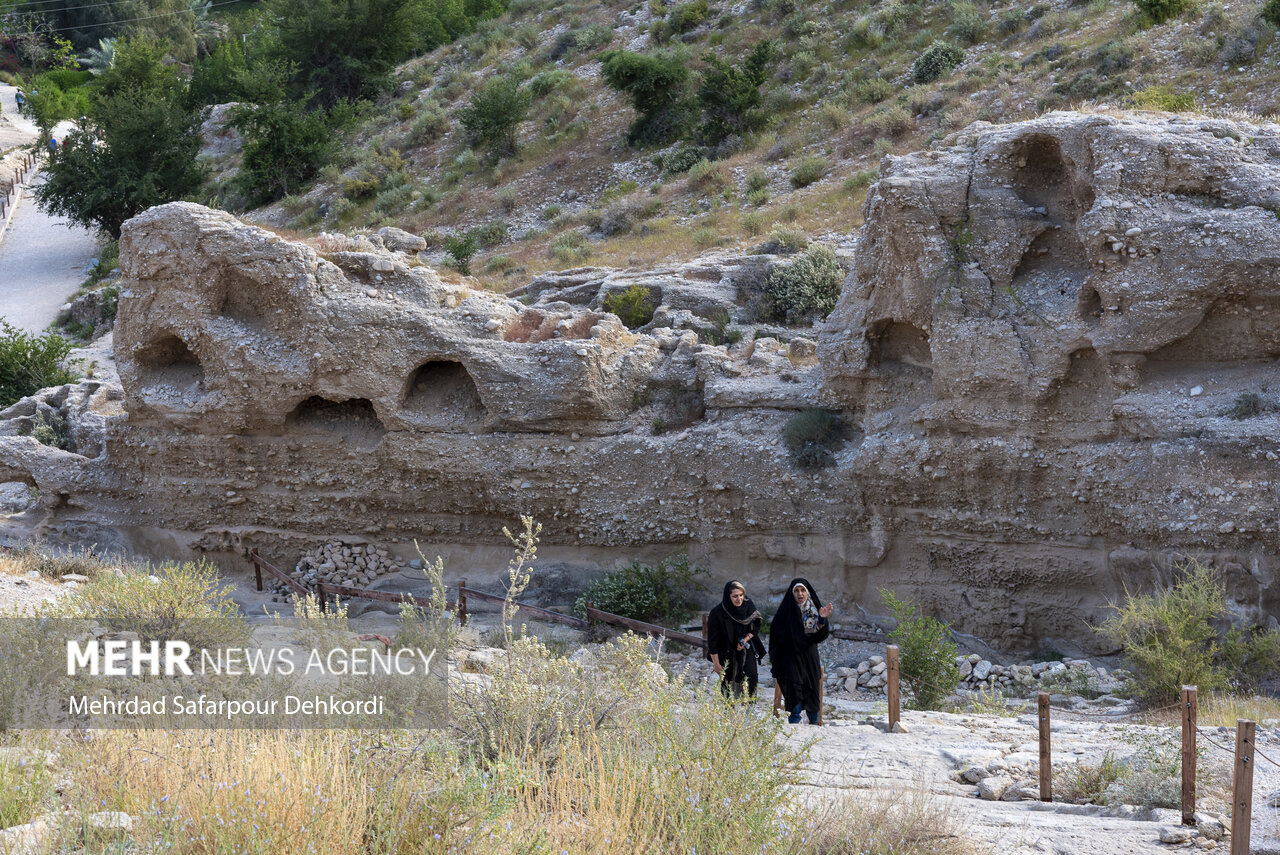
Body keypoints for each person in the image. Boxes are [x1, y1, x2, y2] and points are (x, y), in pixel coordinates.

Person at [768, 577, 833, 724]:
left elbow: (820, 635)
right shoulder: (784, 614)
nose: (800, 594)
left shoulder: (815, 611)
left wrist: (822, 620)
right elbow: (775, 638)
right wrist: (779, 661)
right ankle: (794, 729)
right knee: (793, 695)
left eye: (803, 590)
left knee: (812, 693)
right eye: (796, 590)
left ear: (807, 592)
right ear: (791, 593)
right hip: (790, 660)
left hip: (809, 658)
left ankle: (814, 726)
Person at [706, 580, 765, 699]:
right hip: (726, 650)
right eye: (735, 596)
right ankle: (729, 712)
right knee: (727, 681)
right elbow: (712, 641)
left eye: (741, 595)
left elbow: (756, 627)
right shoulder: (717, 613)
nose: (739, 599)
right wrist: (716, 664)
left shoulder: (748, 606)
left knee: (752, 675)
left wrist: (746, 639)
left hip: (745, 648)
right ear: (728, 597)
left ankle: (750, 709)